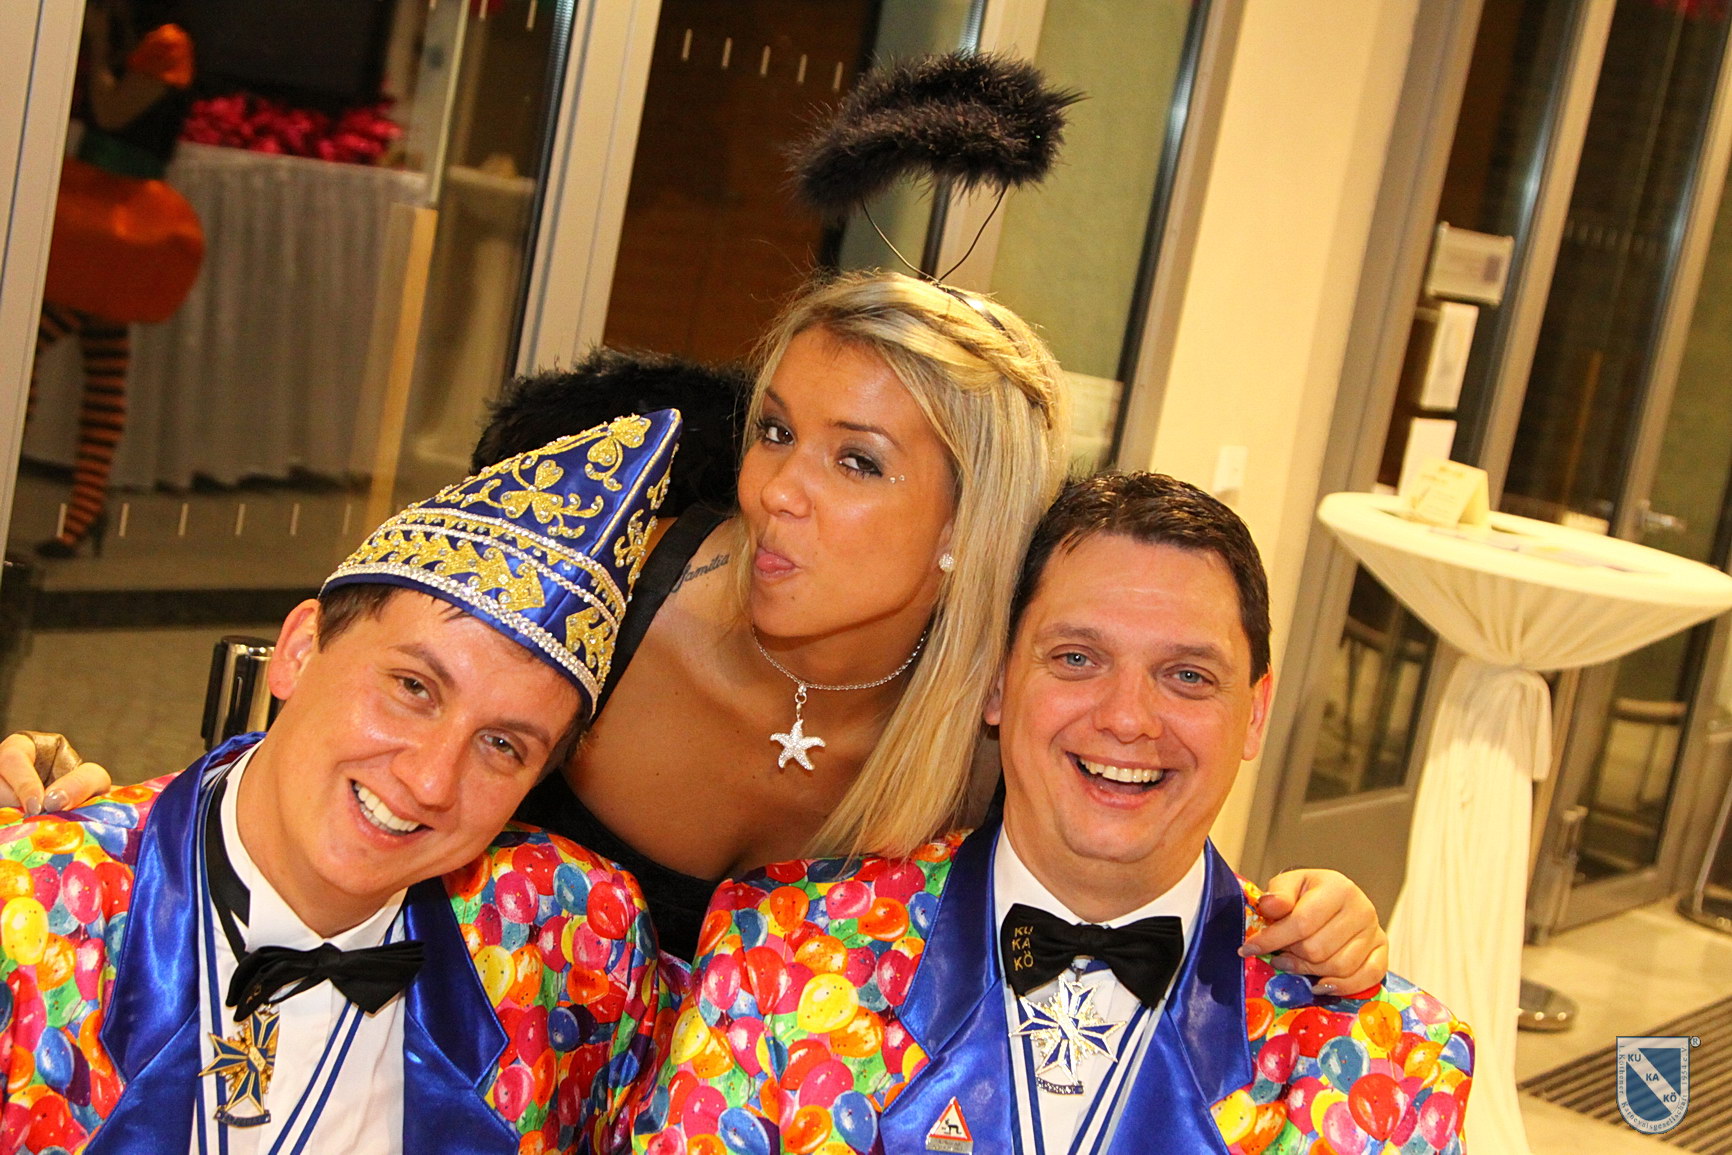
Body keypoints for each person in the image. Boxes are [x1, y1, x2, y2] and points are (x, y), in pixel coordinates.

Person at [4, 273, 1384, 988]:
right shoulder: (619, 582)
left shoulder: (980, 725)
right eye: (775, 429)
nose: (776, 487)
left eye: (856, 462)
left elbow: (1128, 809)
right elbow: (361, 719)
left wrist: (1312, 919)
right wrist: (105, 819)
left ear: (968, 525)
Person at [638, 472, 1473, 1155]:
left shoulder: (1389, 1060)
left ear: (1254, 714)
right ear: (999, 682)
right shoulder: (779, 956)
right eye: (1077, 657)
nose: (1128, 718)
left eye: (1187, 676)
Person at [0, 412, 681, 1154]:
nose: (430, 779)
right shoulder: (31, 913)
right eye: (413, 687)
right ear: (299, 650)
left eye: (501, 745)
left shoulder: (572, 940)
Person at [31, 0, 205, 556]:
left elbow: (111, 111)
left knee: (31, 345)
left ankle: (79, 510)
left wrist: (100, 41)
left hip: (119, 219)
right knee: (104, 363)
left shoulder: (167, 42)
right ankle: (85, 513)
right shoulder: (149, 38)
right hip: (101, 211)